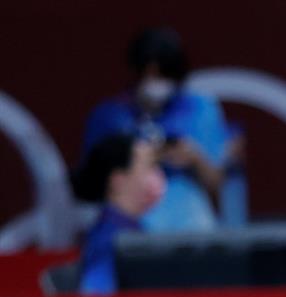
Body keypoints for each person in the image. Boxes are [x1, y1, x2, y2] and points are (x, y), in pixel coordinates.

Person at [83, 27, 230, 233]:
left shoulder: (200, 109)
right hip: (127, 220)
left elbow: (216, 182)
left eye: (161, 74)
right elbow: (90, 182)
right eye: (147, 74)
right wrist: (140, 160)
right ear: (136, 72)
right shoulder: (110, 115)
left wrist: (195, 158)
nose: (153, 81)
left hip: (189, 219)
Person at [72, 135, 166, 295]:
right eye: (149, 166)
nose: (157, 174)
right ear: (118, 180)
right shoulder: (107, 241)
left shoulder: (136, 228)